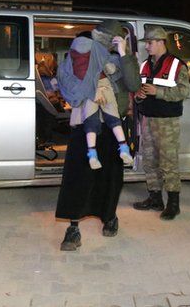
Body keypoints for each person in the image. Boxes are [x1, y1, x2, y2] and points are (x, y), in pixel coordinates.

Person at [55, 19, 141, 251]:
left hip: (113, 126)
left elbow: (134, 84)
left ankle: (109, 216)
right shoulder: (76, 57)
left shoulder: (121, 58)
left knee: (111, 176)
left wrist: (124, 54)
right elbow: (67, 87)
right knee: (78, 176)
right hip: (85, 124)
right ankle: (73, 228)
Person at [132, 26, 190, 220]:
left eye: (149, 43)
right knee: (149, 161)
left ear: (161, 42)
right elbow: (139, 91)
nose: (147, 46)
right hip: (147, 119)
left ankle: (174, 204)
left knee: (168, 163)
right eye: (146, 43)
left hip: (167, 122)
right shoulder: (145, 65)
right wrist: (139, 96)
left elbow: (183, 92)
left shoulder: (176, 65)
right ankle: (155, 199)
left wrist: (159, 92)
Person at [58, 28, 134, 170]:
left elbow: (68, 86)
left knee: (82, 169)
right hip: (108, 126)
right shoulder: (104, 57)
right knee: (106, 171)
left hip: (82, 122)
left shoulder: (67, 64)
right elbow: (120, 77)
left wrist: (91, 92)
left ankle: (92, 155)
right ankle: (123, 148)